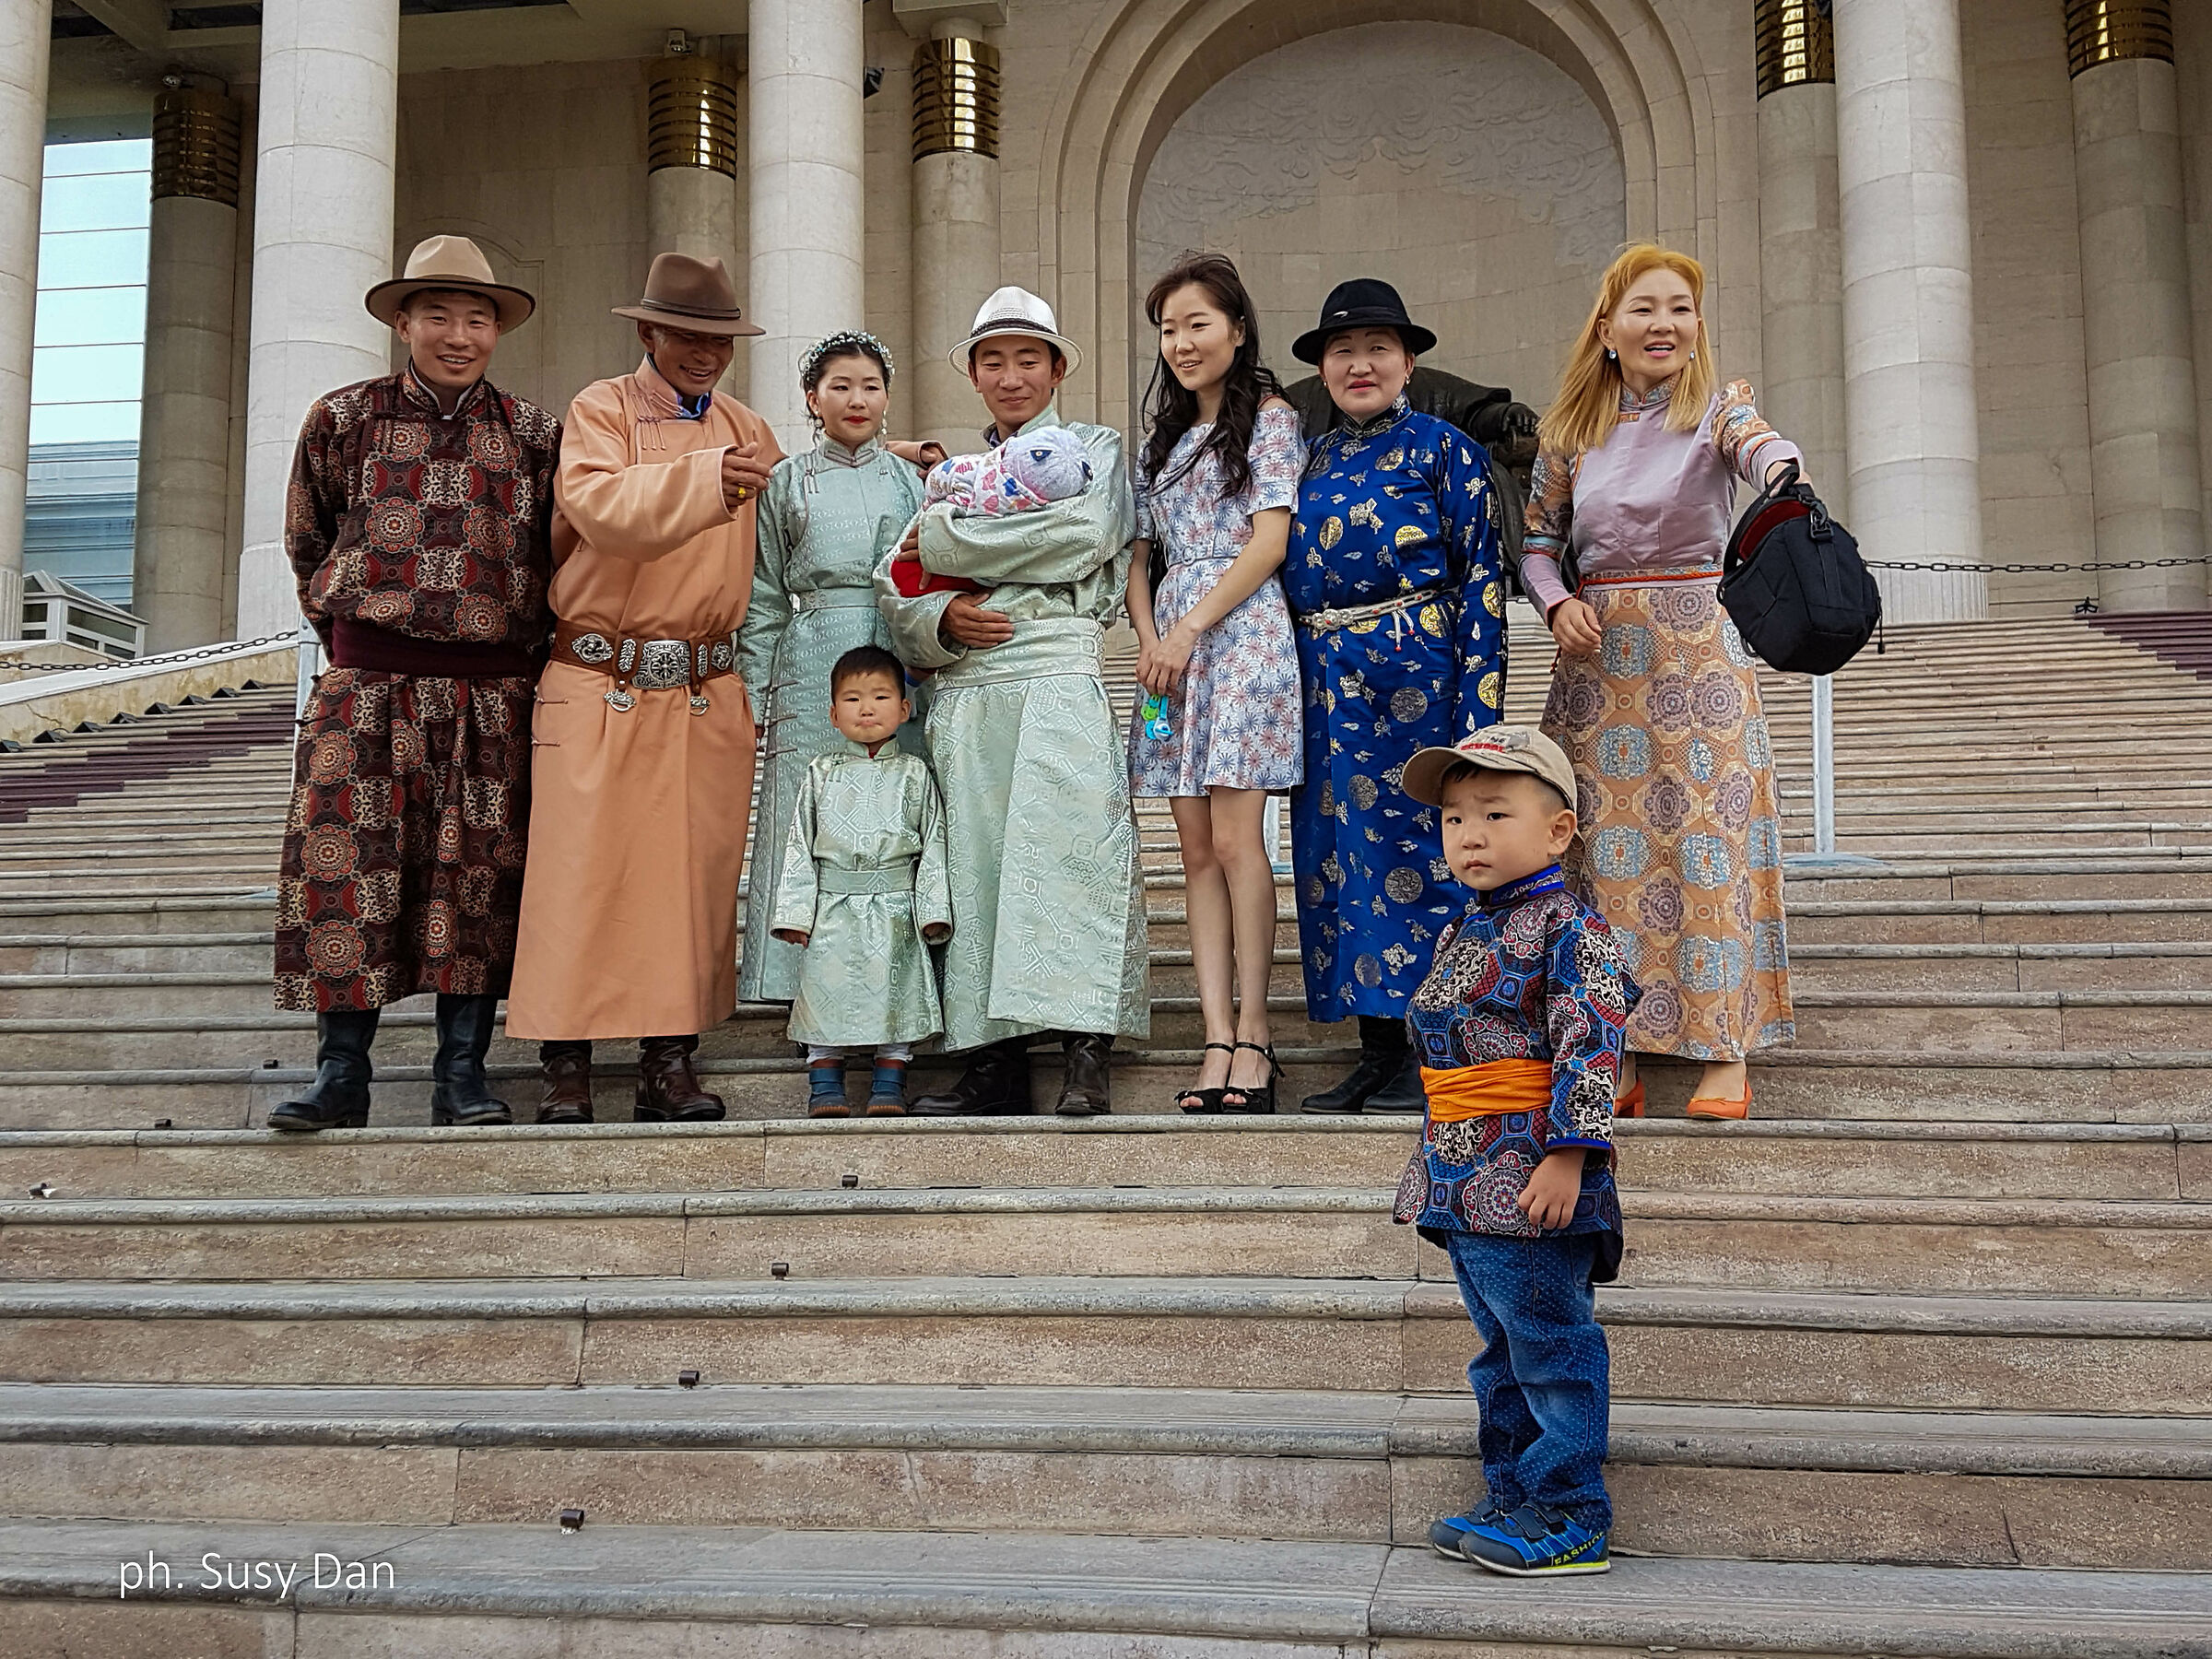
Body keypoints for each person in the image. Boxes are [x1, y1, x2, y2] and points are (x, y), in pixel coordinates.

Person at [268, 235, 558, 1134]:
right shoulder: (340, 418)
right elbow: (305, 537)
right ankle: (340, 1075)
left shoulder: (534, 433)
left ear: (497, 329)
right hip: (367, 690)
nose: (459, 334)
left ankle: (461, 1076)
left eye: (477, 318)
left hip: (491, 697)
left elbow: (560, 559)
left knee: (473, 880)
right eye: (439, 314)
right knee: (347, 871)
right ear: (404, 321)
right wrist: (354, 632)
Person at [1521, 243, 1798, 1121]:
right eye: (1645, 307)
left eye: (1681, 307)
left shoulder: (1719, 410)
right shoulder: (1570, 434)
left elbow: (1760, 452)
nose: (1664, 323)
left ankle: (1723, 1050)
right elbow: (1536, 544)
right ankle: (1623, 1049)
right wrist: (1557, 600)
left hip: (1697, 651)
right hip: (1599, 664)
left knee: (1707, 841)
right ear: (1607, 329)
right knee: (1601, 858)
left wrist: (1786, 473)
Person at [503, 253, 780, 1124]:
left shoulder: (749, 425)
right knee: (577, 872)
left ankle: (671, 1060)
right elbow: (601, 510)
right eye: (689, 335)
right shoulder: (601, 408)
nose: (705, 353)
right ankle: (567, 1065)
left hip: (704, 685)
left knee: (690, 882)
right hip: (600, 673)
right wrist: (708, 479)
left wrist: (892, 457)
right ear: (649, 332)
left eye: (719, 339)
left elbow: (798, 508)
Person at [874, 286, 1148, 1117]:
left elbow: (1082, 538)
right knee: (975, 872)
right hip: (969, 685)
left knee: (1073, 860)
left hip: (1060, 669)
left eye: (1029, 359)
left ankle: (1084, 1052)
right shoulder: (952, 471)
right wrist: (940, 616)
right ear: (974, 375)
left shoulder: (1091, 448)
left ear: (1058, 368)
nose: (1011, 376)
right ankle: (990, 1059)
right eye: (993, 361)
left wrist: (954, 541)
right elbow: (894, 584)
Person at [1392, 724, 1638, 1578]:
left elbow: (1591, 1043)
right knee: (1501, 1348)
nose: (1470, 835)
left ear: (1559, 830)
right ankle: (1513, 1494)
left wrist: (1571, 1156)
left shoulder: (1572, 928)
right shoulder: (1470, 926)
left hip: (1531, 1171)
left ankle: (1570, 1511)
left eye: (1495, 813)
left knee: (1548, 1342)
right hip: (1464, 1172)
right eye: (1455, 819)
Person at [1285, 277, 1509, 1117]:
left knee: (1429, 861)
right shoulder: (1307, 462)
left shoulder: (1446, 450)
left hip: (1420, 682)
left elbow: (1484, 577)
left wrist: (1478, 712)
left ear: (1408, 361)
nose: (1360, 364)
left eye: (1377, 348)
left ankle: (1438, 1052)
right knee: (1338, 866)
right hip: (1326, 689)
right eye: (1343, 351)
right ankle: (1376, 1052)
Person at [1123, 253, 1302, 1114]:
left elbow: (1269, 542)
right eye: (1169, 329)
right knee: (1193, 851)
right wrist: (1154, 636)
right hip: (1170, 655)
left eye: (1198, 323)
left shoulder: (1270, 418)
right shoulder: (1156, 442)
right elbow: (1139, 558)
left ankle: (1257, 1036)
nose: (1183, 342)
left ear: (1236, 328)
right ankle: (1213, 1036)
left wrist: (1191, 628)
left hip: (1242, 639)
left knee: (1238, 844)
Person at [737, 331, 931, 1012]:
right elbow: (762, 594)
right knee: (805, 816)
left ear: (887, 397)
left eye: (871, 386)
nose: (857, 399)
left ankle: (899, 988)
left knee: (892, 816)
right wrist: (755, 692)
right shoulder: (785, 482)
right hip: (811, 653)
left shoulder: (913, 483)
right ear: (812, 397)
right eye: (841, 386)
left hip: (894, 649)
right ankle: (790, 980)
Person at [770, 645, 954, 1117]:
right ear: (832, 714)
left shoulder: (916, 773)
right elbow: (798, 844)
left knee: (896, 991)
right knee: (824, 991)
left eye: (879, 697)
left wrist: (932, 910)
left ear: (904, 708)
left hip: (896, 902)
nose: (866, 708)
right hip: (833, 902)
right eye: (852, 699)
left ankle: (889, 1083)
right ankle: (825, 1084)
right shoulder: (819, 773)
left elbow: (934, 845)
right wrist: (795, 912)